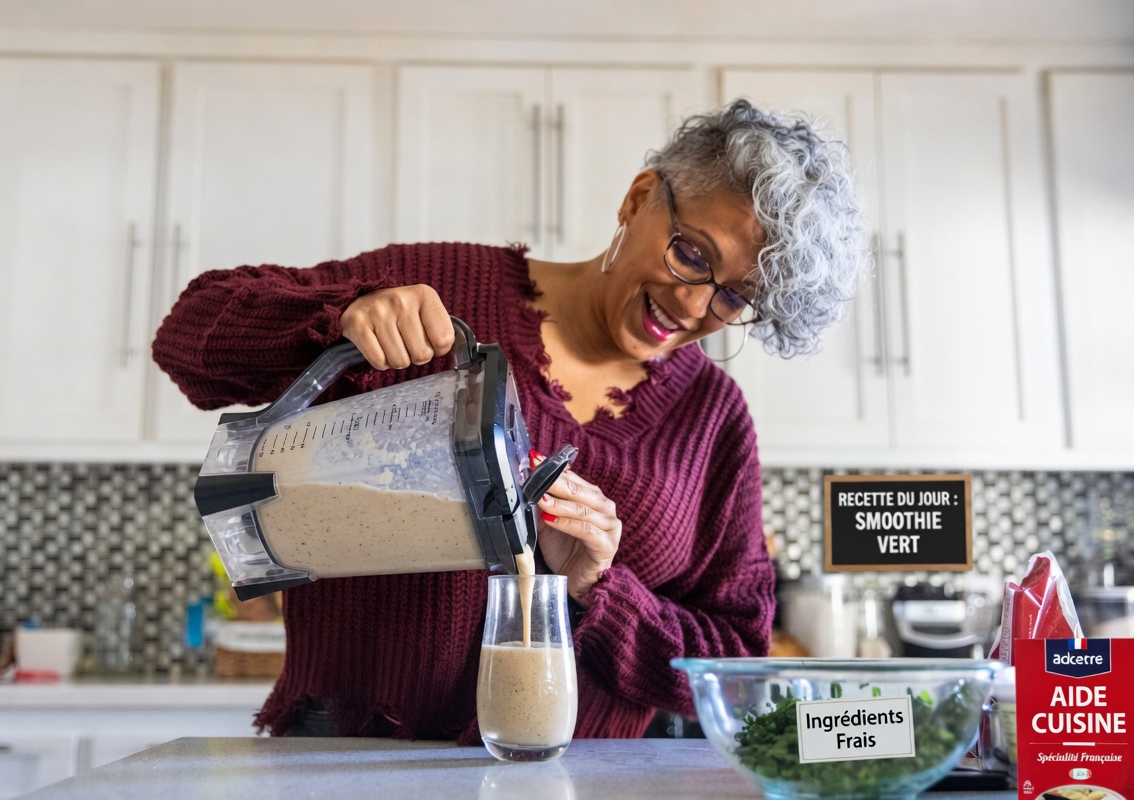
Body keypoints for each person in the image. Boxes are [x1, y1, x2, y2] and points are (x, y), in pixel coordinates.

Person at [152, 99, 867, 742]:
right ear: (640, 197)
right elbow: (189, 339)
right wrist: (336, 317)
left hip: (579, 782)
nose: (693, 306)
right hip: (350, 754)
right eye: (691, 255)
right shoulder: (438, 289)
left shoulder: (710, 419)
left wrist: (600, 591)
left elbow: (733, 662)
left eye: (733, 299)